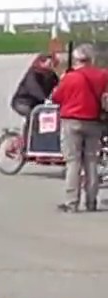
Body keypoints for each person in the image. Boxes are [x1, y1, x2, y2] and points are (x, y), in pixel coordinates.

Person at [50, 45, 108, 213]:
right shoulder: (102, 75)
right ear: (92, 59)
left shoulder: (70, 77)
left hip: (71, 122)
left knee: (73, 162)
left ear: (76, 60)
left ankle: (71, 202)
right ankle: (91, 201)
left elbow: (56, 97)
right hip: (94, 122)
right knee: (91, 161)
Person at [10, 53, 60, 120]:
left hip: (38, 103)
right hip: (23, 102)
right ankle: (30, 128)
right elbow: (35, 90)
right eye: (50, 64)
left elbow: (58, 87)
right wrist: (47, 100)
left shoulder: (51, 75)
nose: (52, 66)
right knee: (35, 116)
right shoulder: (33, 74)